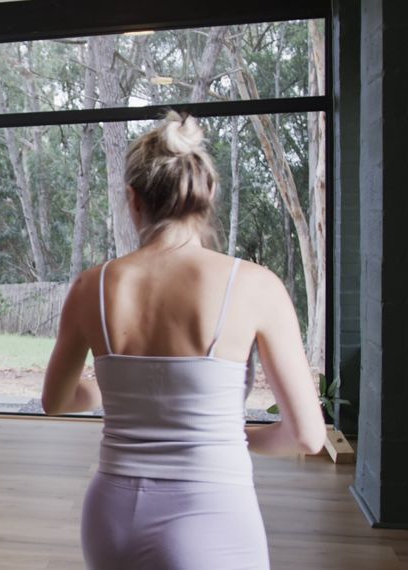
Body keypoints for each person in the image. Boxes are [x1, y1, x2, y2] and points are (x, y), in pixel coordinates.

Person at [41, 112, 326, 569]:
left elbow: (55, 400)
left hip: (109, 516)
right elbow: (308, 437)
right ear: (208, 193)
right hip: (211, 516)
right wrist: (235, 436)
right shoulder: (254, 285)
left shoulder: (90, 286)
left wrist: (112, 388)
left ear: (133, 200)